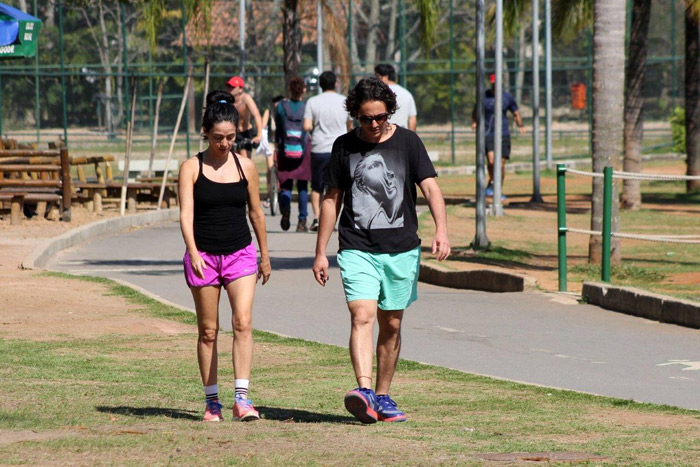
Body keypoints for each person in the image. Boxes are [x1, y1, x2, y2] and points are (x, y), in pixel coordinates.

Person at [312, 78, 451, 424]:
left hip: (402, 248)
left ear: (389, 112)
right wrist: (320, 251)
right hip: (357, 247)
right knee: (362, 316)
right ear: (355, 116)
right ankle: (364, 390)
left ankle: (383, 396)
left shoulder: (408, 142)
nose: (373, 125)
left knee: (391, 325)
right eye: (365, 119)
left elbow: (431, 188)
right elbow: (331, 199)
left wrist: (442, 230)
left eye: (380, 117)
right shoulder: (344, 147)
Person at [178, 89, 271, 422]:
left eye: (231, 137)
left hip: (241, 253)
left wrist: (264, 254)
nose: (225, 143)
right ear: (206, 133)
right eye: (218, 137)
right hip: (203, 255)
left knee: (243, 323)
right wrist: (192, 251)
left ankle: (242, 400)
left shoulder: (246, 166)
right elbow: (185, 215)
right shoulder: (191, 167)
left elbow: (257, 213)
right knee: (208, 331)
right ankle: (212, 402)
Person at [302, 71, 353, 232]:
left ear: (320, 85)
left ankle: (317, 218)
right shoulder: (344, 101)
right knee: (339, 186)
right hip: (340, 148)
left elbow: (306, 126)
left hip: (319, 148)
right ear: (335, 84)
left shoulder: (312, 101)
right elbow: (350, 124)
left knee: (317, 186)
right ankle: (335, 219)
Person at [471, 73, 526, 198]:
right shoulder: (484, 96)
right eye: (493, 83)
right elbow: (475, 111)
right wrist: (474, 122)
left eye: (496, 83)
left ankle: (497, 188)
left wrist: (521, 125)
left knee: (500, 164)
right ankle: (492, 182)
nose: (495, 86)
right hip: (488, 133)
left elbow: (516, 112)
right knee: (491, 161)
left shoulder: (507, 97)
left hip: (503, 134)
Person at [275, 76, 311, 232]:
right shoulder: (306, 107)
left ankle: (286, 208)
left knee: (286, 184)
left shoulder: (281, 106)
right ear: (303, 90)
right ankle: (302, 221)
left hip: (285, 149)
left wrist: (277, 147)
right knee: (303, 186)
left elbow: (277, 129)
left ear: (289, 90)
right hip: (303, 151)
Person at [257, 95, 285, 208]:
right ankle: (270, 195)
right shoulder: (269, 112)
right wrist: (260, 132)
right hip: (270, 143)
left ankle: (281, 192)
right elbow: (262, 125)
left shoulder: (285, 113)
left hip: (281, 143)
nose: (277, 105)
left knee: (282, 169)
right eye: (275, 102)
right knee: (270, 168)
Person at [227, 76, 263, 158]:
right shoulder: (227, 101)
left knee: (244, 161)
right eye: (229, 86)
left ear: (240, 89)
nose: (230, 88)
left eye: (232, 86)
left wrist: (259, 135)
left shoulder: (246, 98)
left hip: (246, 133)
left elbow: (257, 116)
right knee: (232, 162)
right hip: (233, 134)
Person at [374, 64, 417, 131]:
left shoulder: (378, 93)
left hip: (383, 135)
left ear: (385, 77)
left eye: (377, 77)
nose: (375, 81)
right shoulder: (407, 94)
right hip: (402, 134)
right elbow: (412, 119)